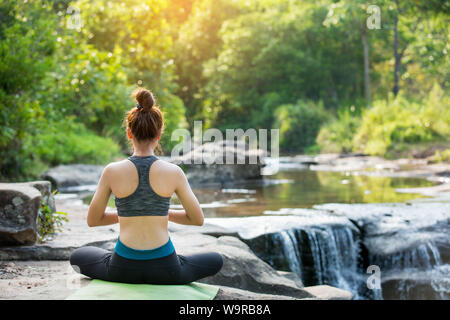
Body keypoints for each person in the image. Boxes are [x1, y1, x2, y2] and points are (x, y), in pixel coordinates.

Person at [70, 88, 223, 284]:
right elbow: (197, 219)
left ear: (129, 133)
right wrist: (158, 214)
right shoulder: (174, 172)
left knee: (78, 256)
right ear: (159, 134)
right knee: (216, 260)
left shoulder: (111, 171)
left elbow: (93, 220)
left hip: (122, 269)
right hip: (167, 270)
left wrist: (130, 214)